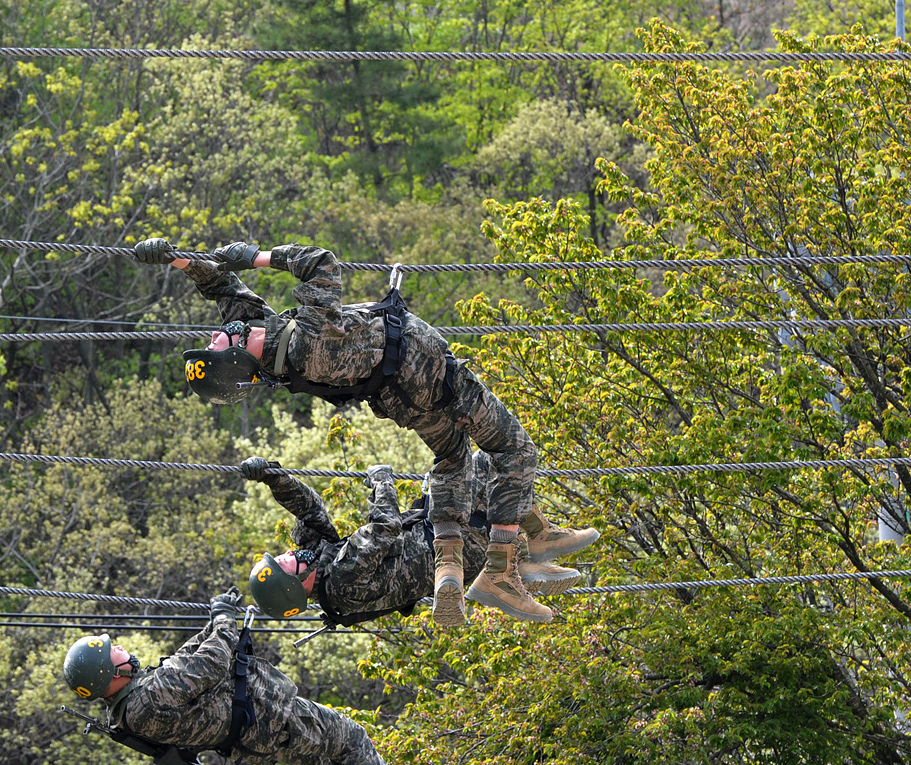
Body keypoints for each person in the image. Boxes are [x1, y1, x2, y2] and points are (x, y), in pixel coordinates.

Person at [134, 237, 597, 626]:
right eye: (218, 344)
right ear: (238, 354)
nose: (217, 335)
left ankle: (480, 559)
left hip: (403, 398)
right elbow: (321, 264)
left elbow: (222, 288)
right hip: (433, 376)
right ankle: (501, 569)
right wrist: (257, 255)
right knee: (513, 451)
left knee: (456, 462)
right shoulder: (306, 339)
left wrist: (177, 259)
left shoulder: (274, 348)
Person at [62, 595, 474, 765]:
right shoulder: (148, 699)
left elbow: (182, 662)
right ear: (107, 673)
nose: (121, 648)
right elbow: (209, 664)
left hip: (256, 736)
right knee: (350, 739)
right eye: (112, 649)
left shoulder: (136, 704)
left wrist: (215, 621)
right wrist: (224, 620)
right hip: (274, 716)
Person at [243, 456, 590, 627]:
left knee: (485, 477)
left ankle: (522, 557)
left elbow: (309, 512)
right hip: (455, 545)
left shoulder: (318, 562)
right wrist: (382, 481)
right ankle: (523, 552)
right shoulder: (342, 577)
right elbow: (385, 525)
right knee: (482, 463)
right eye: (283, 563)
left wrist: (273, 478)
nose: (287, 554)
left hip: (442, 536)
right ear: (296, 584)